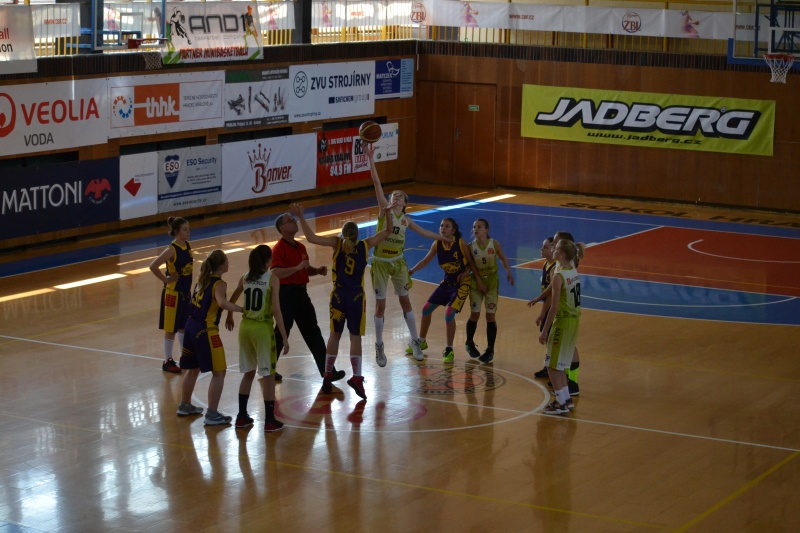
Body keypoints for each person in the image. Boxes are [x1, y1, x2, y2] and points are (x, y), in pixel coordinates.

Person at [288, 202, 395, 399]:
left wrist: (301, 217)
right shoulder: (365, 245)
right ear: (357, 234)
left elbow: (311, 237)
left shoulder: (336, 244)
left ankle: (327, 374)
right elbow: (388, 231)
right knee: (355, 337)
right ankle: (357, 377)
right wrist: (387, 212)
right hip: (356, 297)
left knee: (334, 335)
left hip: (338, 296)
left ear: (342, 233)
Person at [366, 143, 450, 365]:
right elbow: (376, 183)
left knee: (405, 301)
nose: (396, 197)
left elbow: (425, 232)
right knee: (381, 305)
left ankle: (415, 342)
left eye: (400, 196)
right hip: (380, 263)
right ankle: (379, 346)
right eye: (393, 195)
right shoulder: (384, 211)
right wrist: (371, 159)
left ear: (405, 204)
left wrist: (442, 238)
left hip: (398, 263)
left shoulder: (406, 220)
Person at [272, 212, 346, 383]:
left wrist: (316, 270)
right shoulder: (278, 248)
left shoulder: (300, 247)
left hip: (301, 294)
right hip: (286, 295)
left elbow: (304, 269)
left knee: (313, 332)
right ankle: (269, 368)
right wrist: (296, 268)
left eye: (294, 219)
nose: (294, 222)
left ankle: (328, 371)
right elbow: (275, 272)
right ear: (282, 228)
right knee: (281, 333)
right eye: (291, 221)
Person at [225, 245, 288, 433]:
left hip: (245, 328)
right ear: (268, 261)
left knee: (248, 373)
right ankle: (269, 420)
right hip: (262, 329)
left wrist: (230, 315)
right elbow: (276, 310)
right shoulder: (272, 279)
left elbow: (233, 297)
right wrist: (284, 337)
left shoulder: (244, 277)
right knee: (268, 375)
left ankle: (241, 416)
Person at [177, 250, 243, 425]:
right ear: (221, 265)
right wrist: (242, 310)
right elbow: (222, 303)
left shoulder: (202, 279)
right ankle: (212, 414)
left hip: (190, 326)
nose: (228, 263)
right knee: (219, 372)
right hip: (205, 330)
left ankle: (185, 405)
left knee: (193, 369)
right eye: (227, 261)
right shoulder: (219, 283)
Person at [408, 217, 484, 363]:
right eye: (441, 225)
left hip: (461, 284)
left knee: (449, 313)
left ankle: (449, 349)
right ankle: (421, 341)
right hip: (447, 283)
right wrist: (412, 271)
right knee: (426, 309)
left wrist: (468, 273)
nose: (443, 228)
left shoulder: (460, 243)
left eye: (447, 226)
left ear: (453, 230)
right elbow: (425, 260)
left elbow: (472, 262)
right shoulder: (437, 243)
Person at [528, 231, 582, 396]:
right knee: (562, 352)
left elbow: (554, 301)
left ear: (562, 250)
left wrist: (543, 320)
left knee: (557, 360)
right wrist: (539, 297)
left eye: (555, 244)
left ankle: (567, 389)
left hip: (563, 317)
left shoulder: (559, 273)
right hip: (573, 316)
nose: (552, 246)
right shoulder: (568, 269)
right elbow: (551, 288)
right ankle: (565, 389)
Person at [537, 239, 584, 414]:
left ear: (562, 254)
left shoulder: (558, 276)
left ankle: (560, 403)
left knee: (551, 365)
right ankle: (566, 399)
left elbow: (554, 306)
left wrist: (544, 331)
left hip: (563, 322)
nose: (553, 250)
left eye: (555, 249)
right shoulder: (573, 271)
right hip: (574, 321)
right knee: (560, 364)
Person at [464, 218, 514, 364]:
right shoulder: (470, 246)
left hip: (491, 281)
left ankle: (490, 350)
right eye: (474, 227)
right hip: (476, 281)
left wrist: (508, 272)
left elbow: (503, 258)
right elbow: (470, 266)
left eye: (479, 227)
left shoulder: (494, 244)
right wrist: (462, 275)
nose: (476, 229)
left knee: (490, 316)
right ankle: (469, 342)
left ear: (486, 230)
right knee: (475, 314)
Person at [149, 217, 193, 374]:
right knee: (171, 328)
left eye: (188, 229)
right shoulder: (171, 249)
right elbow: (153, 266)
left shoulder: (187, 246)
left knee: (183, 326)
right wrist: (166, 279)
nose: (188, 232)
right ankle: (167, 360)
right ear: (176, 232)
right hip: (173, 294)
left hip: (185, 293)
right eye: (185, 229)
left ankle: (184, 357)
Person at [531, 236, 556, 379]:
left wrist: (542, 313)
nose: (542, 249)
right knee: (548, 341)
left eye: (545, 247)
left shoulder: (555, 268)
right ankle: (549, 367)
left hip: (552, 309)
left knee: (550, 339)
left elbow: (551, 295)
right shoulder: (546, 264)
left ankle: (552, 368)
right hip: (548, 307)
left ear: (553, 249)